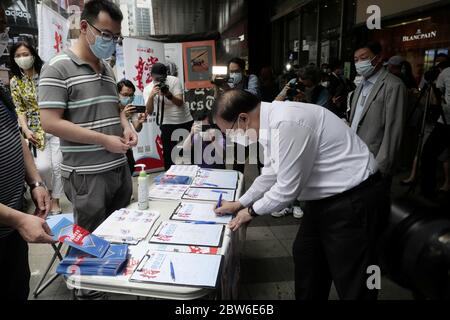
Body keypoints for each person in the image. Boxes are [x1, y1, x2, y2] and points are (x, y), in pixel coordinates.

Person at [213, 90, 384, 300]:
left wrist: (250, 212)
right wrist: (239, 203)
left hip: (356, 198)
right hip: (322, 200)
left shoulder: (287, 123)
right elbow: (270, 174)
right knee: (307, 256)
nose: (231, 137)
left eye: (229, 132)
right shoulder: (268, 125)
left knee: (357, 275)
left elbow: (286, 189)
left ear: (243, 118)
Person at [39, 0, 136, 233]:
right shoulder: (57, 68)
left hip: (118, 168)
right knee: (92, 241)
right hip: (87, 176)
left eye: (115, 37)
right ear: (84, 27)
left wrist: (126, 126)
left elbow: (115, 108)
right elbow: (50, 123)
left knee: (122, 234)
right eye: (105, 34)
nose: (110, 41)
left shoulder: (107, 68)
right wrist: (103, 140)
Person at [0, 2, 53, 301]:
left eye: (5, 24)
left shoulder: (0, 86)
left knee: (17, 288)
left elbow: (13, 133)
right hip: (13, 221)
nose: (4, 32)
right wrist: (19, 219)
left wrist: (34, 181)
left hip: (11, 227)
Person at [10, 41, 64, 215]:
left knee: (58, 165)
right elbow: (19, 108)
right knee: (43, 167)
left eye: (25, 54)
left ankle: (55, 199)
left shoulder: (46, 73)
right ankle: (47, 193)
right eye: (18, 56)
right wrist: (25, 129)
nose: (22, 58)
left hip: (55, 124)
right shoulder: (15, 81)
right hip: (35, 131)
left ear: (33, 54)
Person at [144, 62, 191, 170]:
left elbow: (179, 103)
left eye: (163, 78)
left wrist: (168, 94)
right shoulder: (148, 89)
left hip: (184, 121)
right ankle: (171, 180)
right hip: (167, 123)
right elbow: (149, 111)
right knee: (169, 157)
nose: (160, 81)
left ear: (166, 75)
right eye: (157, 78)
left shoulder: (174, 80)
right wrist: (151, 96)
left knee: (188, 154)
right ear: (151, 76)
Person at [420, 60, 450, 198]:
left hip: (446, 120)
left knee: (428, 153)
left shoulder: (445, 72)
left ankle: (428, 191)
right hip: (445, 120)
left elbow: (434, 100)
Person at [117, 79, 148, 174]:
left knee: (131, 167)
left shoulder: (131, 108)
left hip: (126, 145)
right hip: (114, 144)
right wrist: (123, 116)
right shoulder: (112, 107)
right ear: (117, 94)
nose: (128, 98)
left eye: (131, 95)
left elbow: (137, 128)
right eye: (125, 95)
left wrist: (140, 121)